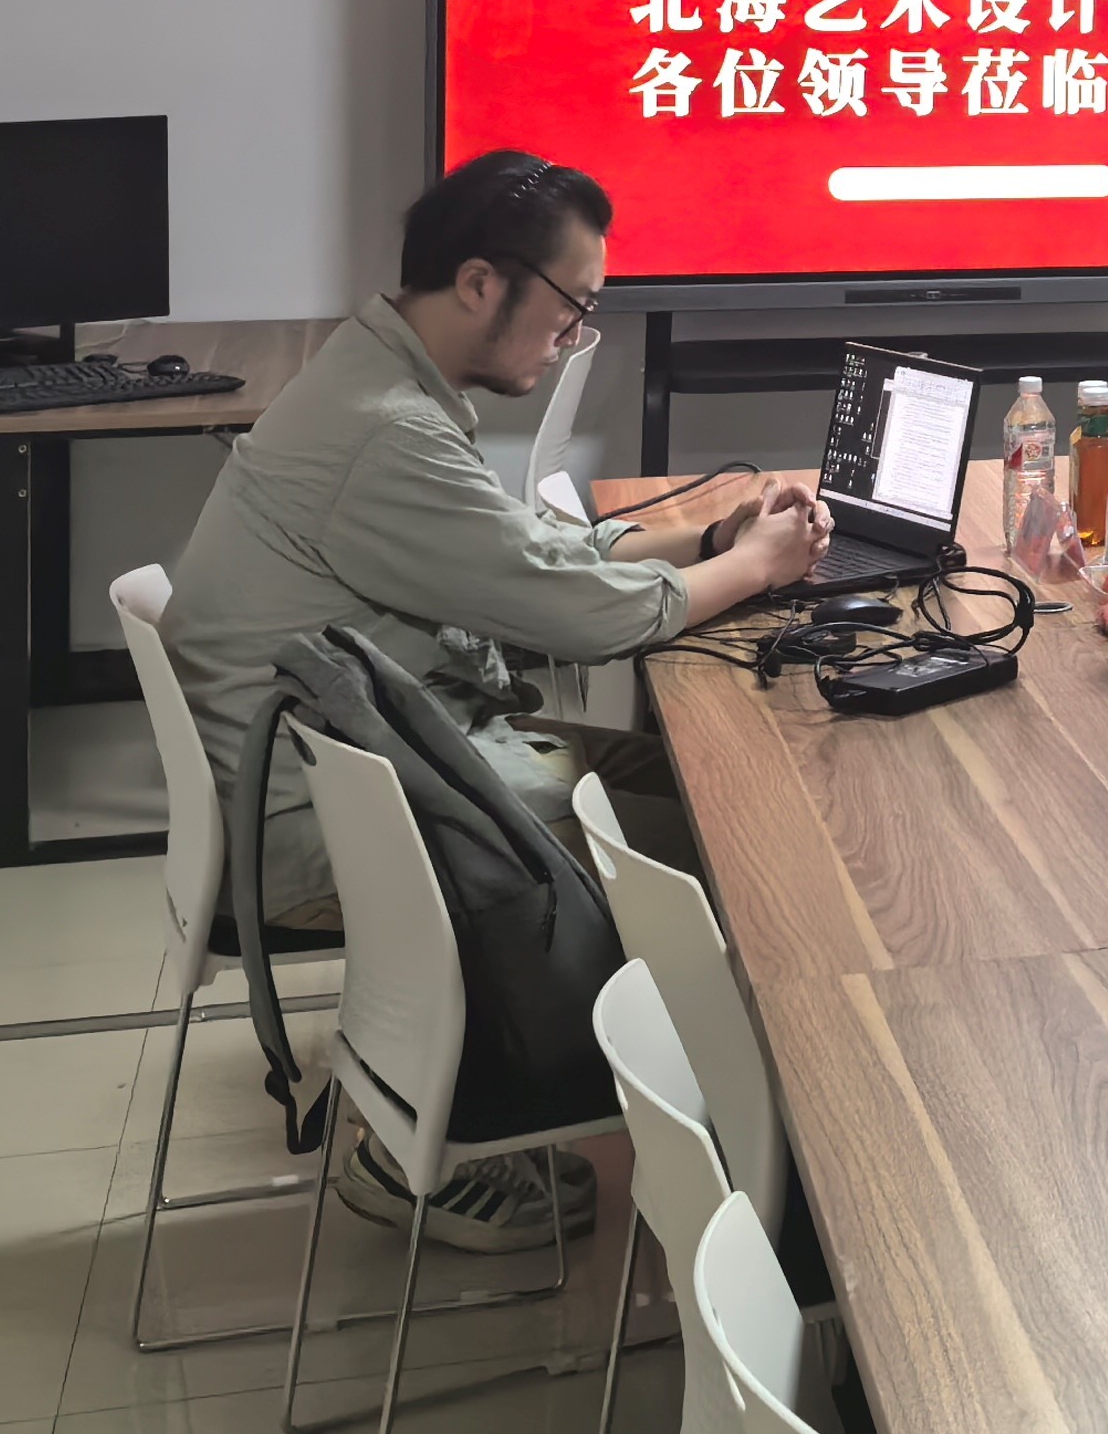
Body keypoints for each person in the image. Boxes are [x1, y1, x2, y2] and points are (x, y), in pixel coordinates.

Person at [163, 151, 830, 1250]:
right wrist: (753, 569)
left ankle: (701, 1110)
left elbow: (531, 561)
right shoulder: (386, 431)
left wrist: (714, 540)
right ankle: (467, 1148)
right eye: (573, 308)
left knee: (689, 791)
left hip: (345, 766)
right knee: (730, 849)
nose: (573, 337)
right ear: (480, 283)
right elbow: (583, 615)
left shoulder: (378, 382)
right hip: (325, 820)